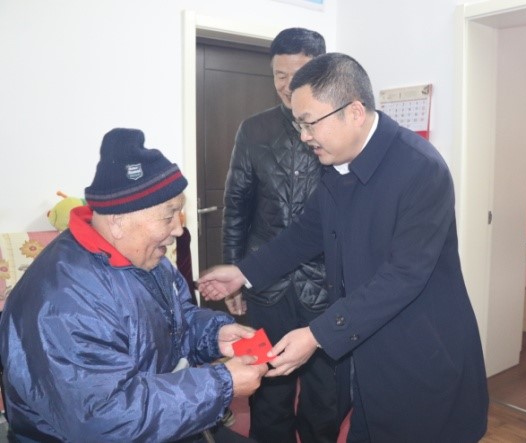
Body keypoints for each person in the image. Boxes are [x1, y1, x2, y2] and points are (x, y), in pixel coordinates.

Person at [199, 52, 489, 443]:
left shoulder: (421, 169)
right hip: (366, 346)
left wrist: (316, 335)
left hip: (421, 350)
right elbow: (305, 233)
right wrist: (243, 272)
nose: (304, 136)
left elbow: (403, 277)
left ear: (353, 112)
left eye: (309, 123)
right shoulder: (338, 165)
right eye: (298, 124)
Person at [0, 128, 267, 442]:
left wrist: (214, 335)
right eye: (168, 215)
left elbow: (177, 319)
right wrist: (221, 384)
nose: (178, 229)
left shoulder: (147, 257)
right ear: (117, 221)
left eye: (179, 212)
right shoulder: (65, 301)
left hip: (157, 418)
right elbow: (104, 419)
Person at [221, 28, 339, 443]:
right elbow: (236, 206)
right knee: (266, 387)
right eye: (279, 75)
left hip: (326, 285)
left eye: (298, 74)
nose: (287, 85)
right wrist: (235, 274)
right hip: (265, 285)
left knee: (325, 394)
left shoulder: (336, 129)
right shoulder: (253, 130)